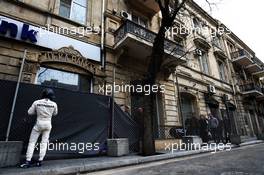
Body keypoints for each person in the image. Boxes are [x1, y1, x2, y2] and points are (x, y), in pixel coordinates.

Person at [20, 88, 58, 168]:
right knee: (44, 143)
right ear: (51, 95)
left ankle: (28, 161)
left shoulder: (36, 102)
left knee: (32, 143)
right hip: (48, 124)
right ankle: (40, 161)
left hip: (38, 124)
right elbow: (55, 114)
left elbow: (30, 112)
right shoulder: (54, 104)